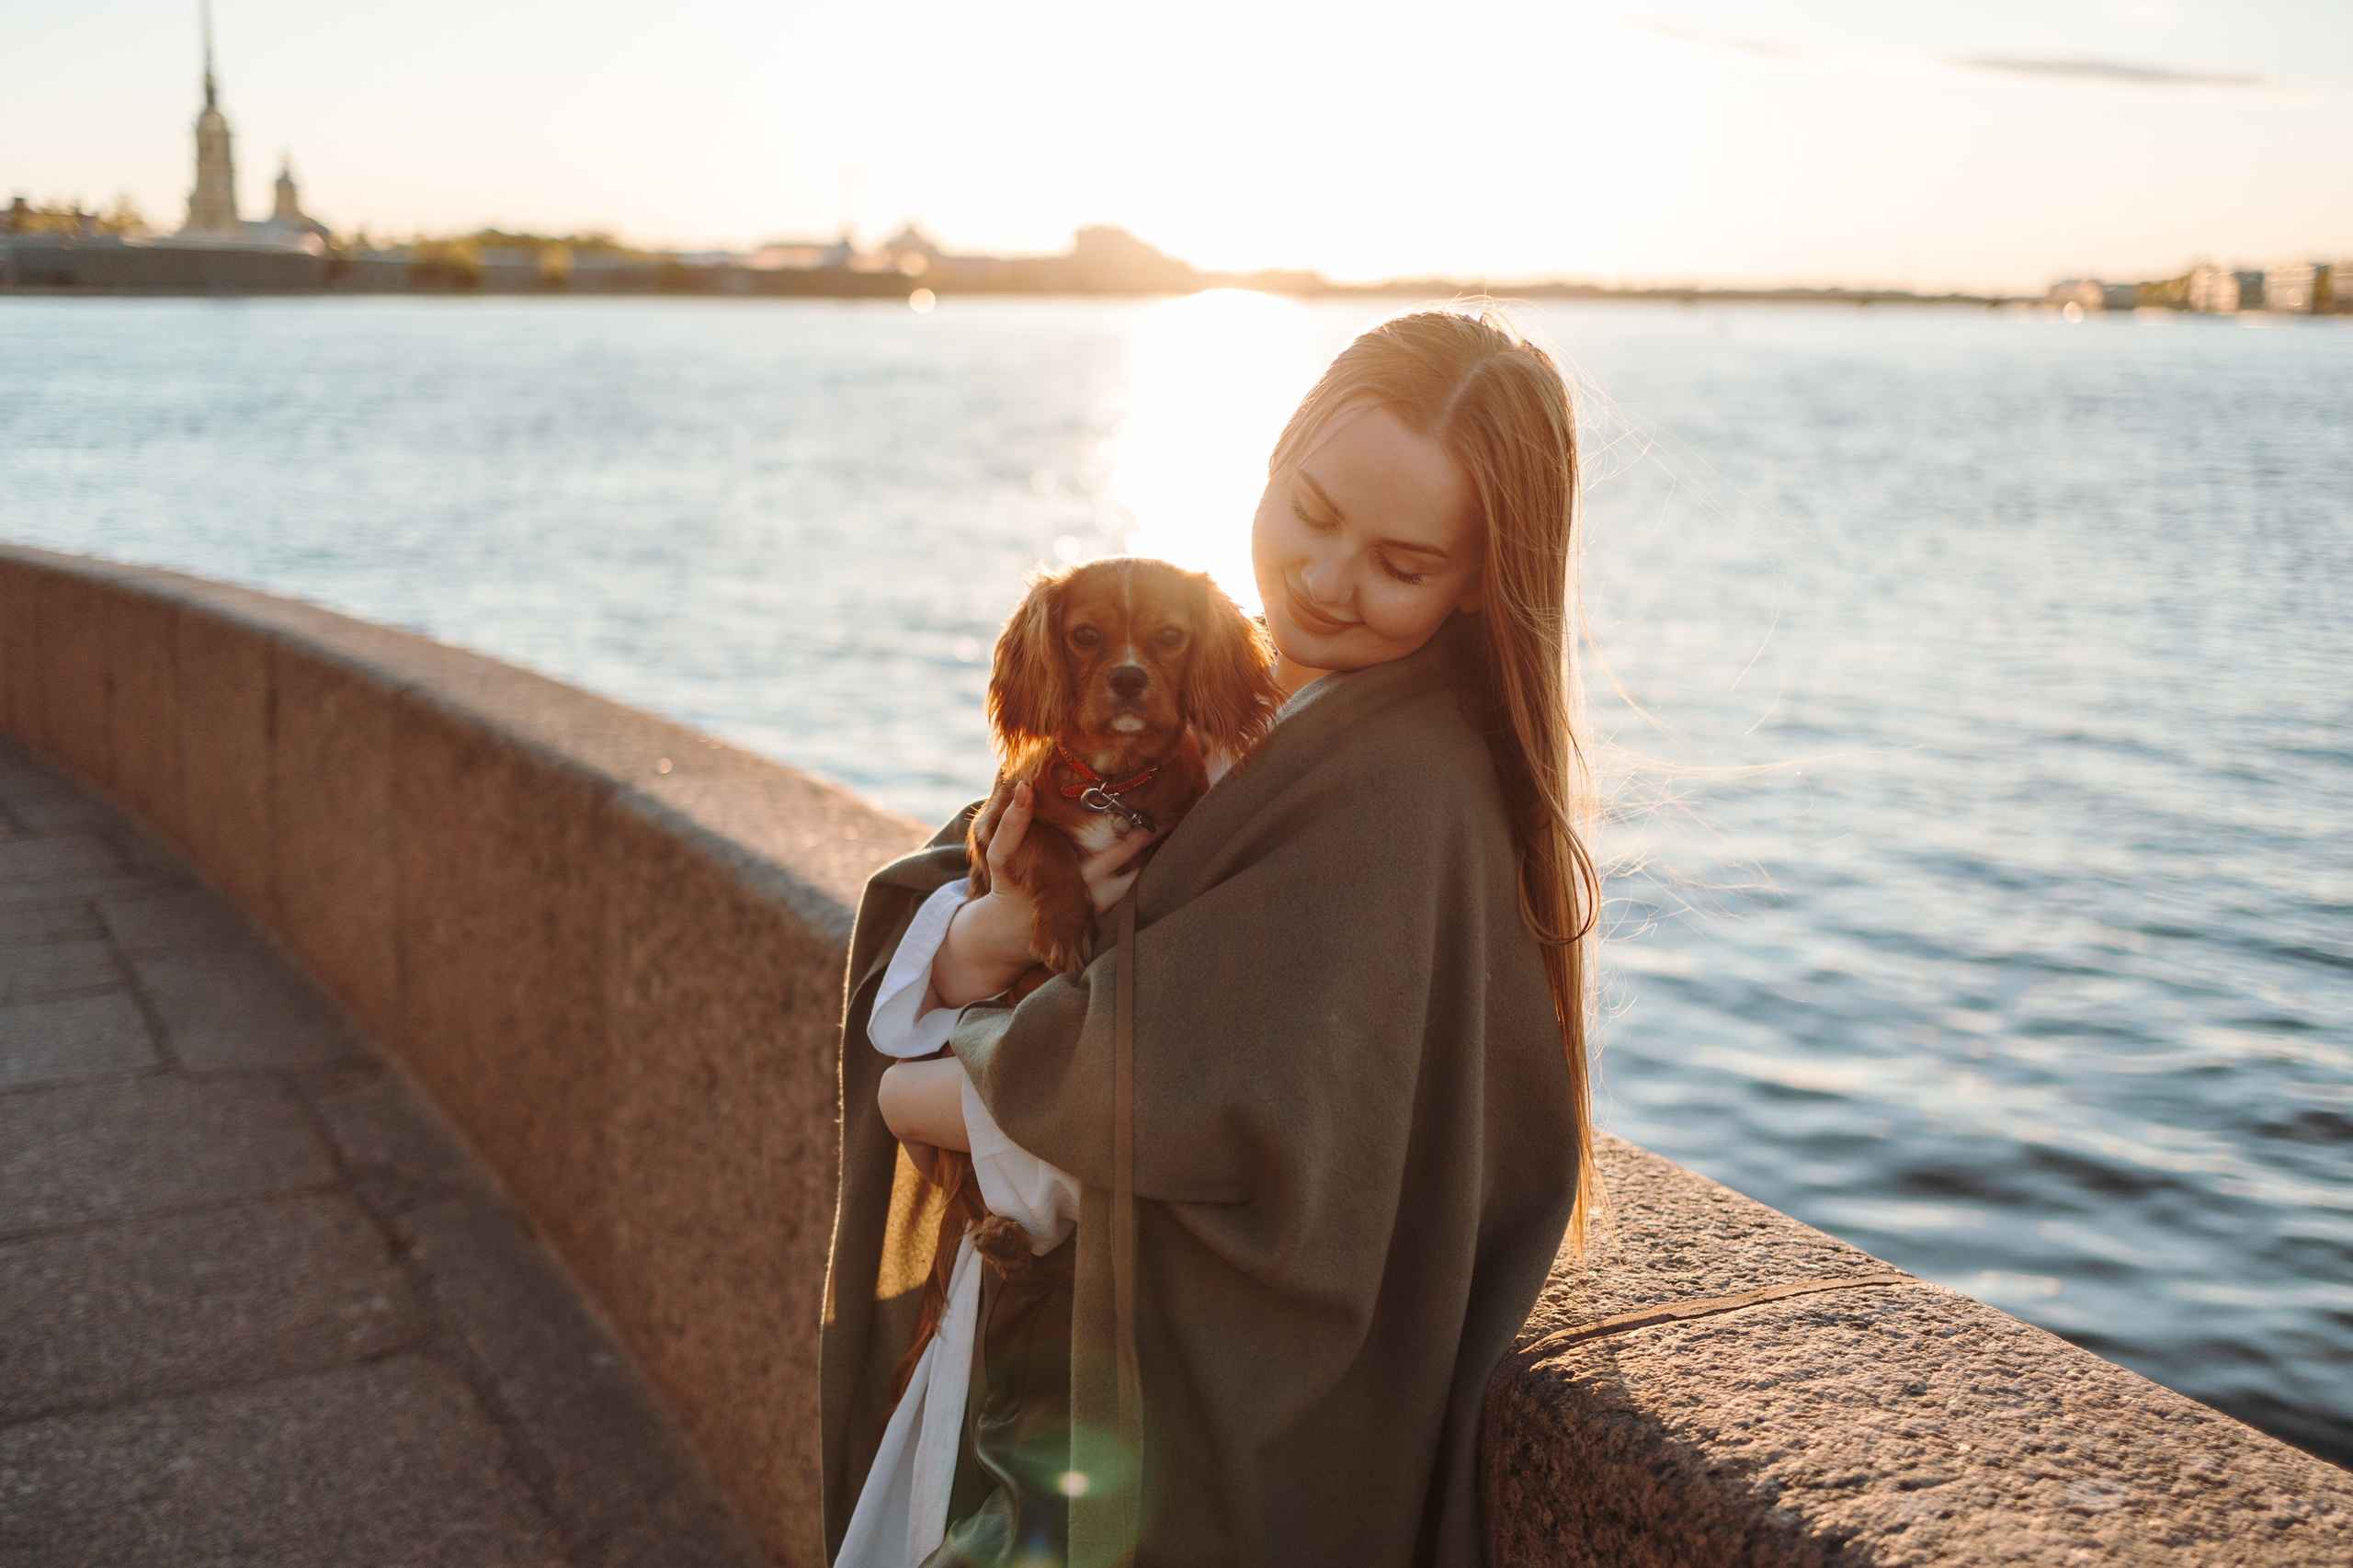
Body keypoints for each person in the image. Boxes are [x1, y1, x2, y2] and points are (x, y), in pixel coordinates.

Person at [820, 307, 1597, 1567]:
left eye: (1401, 564)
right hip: (1036, 1354)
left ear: (1479, 583)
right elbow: (964, 886)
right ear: (1272, 458)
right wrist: (986, 936)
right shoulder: (1231, 679)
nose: (1325, 579)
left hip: (1154, 1417)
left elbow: (1211, 1099)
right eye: (1310, 510)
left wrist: (919, 1088)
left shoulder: (1408, 792)